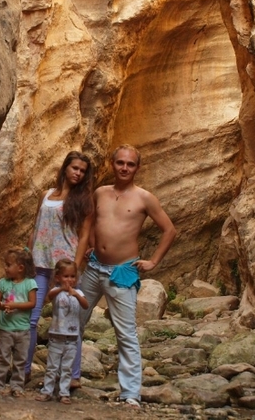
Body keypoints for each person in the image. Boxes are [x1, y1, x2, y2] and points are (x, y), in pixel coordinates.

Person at [73, 144, 177, 407]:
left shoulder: (145, 198)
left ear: (137, 168)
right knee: (74, 322)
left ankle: (130, 392)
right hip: (94, 268)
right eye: (120, 163)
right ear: (112, 163)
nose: (124, 168)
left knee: (126, 333)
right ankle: (68, 377)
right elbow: (92, 222)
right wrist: (92, 246)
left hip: (123, 272)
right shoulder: (100, 193)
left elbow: (169, 230)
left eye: (130, 164)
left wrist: (153, 261)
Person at [25, 151, 94, 382]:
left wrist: (74, 267)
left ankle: (72, 376)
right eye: (75, 168)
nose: (78, 173)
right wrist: (28, 256)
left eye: (83, 171)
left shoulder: (84, 200)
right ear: (65, 167)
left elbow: (84, 235)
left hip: (65, 268)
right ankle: (23, 370)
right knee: (32, 320)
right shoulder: (46, 195)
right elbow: (36, 227)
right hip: (39, 265)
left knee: (69, 321)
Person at [34, 259, 88, 405]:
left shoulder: (79, 292)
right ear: (58, 277)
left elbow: (85, 304)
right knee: (52, 366)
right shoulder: (55, 292)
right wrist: (61, 289)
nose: (69, 280)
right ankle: (47, 391)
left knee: (66, 367)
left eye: (72, 277)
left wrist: (75, 294)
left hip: (72, 337)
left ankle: (64, 393)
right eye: (66, 276)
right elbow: (48, 298)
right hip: (56, 335)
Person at [0, 247, 38, 396]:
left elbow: (32, 303)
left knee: (20, 360)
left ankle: (17, 386)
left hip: (23, 329)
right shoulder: (3, 283)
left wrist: (14, 305)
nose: (5, 268)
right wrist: (3, 305)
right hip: (6, 328)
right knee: (2, 357)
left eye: (8, 265)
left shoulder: (30, 284)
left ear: (20, 268)